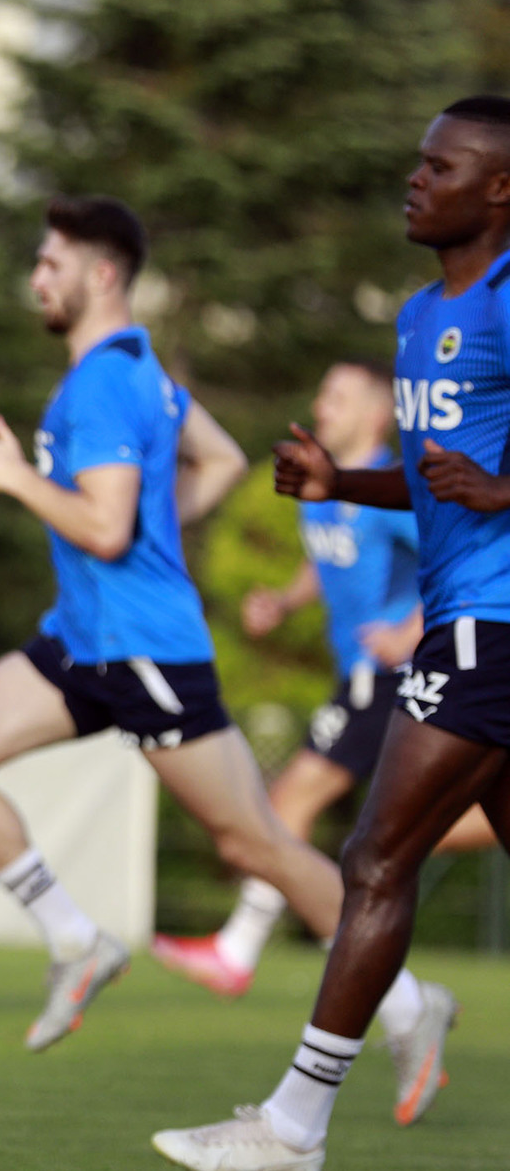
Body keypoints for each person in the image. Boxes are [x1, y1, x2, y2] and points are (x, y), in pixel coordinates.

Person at [0, 194, 442, 1058]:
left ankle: (410, 1001)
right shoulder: (140, 368)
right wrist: (153, 537)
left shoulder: (105, 382)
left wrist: (12, 476)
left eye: (50, 263)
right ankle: (76, 940)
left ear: (102, 273)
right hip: (81, 638)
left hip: (148, 652)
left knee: (257, 841)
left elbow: (105, 527)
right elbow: (224, 459)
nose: (36, 277)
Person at [150, 97, 510, 1171]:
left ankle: (295, 1123)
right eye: (416, 161)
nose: (414, 178)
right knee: (375, 854)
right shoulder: (415, 315)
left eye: (438, 165)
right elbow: (434, 476)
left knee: (372, 856)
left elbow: (482, 482)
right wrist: (337, 481)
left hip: (492, 625)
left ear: (498, 188)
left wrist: (503, 487)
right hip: (471, 616)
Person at [155, 360, 494, 995]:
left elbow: (460, 558)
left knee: (292, 802)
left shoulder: (393, 494)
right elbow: (329, 564)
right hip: (359, 676)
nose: (320, 404)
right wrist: (285, 601)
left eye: (336, 396)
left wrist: (410, 630)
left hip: (391, 673)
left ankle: (239, 948)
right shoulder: (329, 492)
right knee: (402, 829)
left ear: (375, 414)